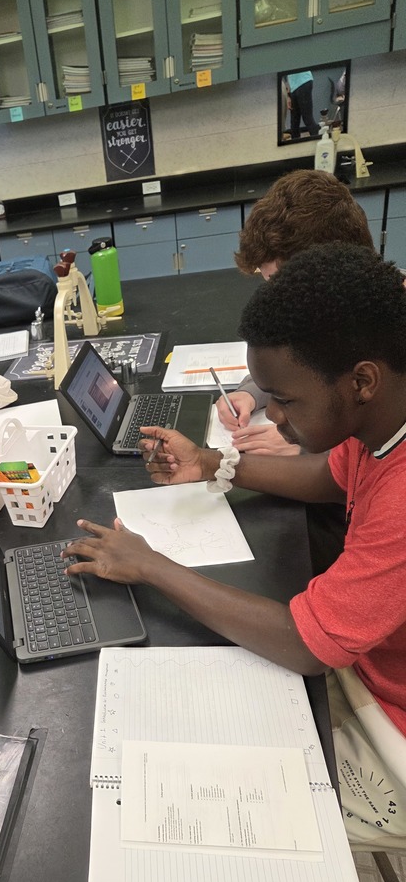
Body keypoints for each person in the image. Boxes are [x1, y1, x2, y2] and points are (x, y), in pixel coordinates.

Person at [64, 244, 406, 844]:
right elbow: (329, 474)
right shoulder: (382, 422)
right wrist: (212, 462)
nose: (272, 418)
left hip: (391, 724)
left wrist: (150, 564)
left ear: (362, 381)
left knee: (200, 782)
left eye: (287, 400)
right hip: (372, 665)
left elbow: (306, 646)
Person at [218, 169, 374, 456]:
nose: (279, 300)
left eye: (284, 285)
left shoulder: (391, 326)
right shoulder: (324, 303)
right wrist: (251, 392)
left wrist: (310, 442)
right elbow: (298, 365)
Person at [284, 71, 320, 140]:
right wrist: (288, 95)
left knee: (307, 118)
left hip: (304, 81)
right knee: (294, 123)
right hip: (293, 86)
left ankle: (317, 142)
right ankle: (295, 148)